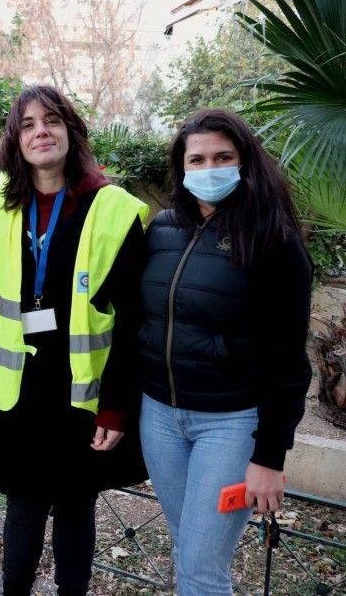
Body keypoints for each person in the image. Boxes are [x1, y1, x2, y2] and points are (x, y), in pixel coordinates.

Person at [0, 84, 147, 595]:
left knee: (76, 507)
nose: (41, 132)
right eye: (29, 124)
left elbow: (133, 323)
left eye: (52, 121)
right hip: (16, 388)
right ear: (15, 140)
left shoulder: (115, 208)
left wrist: (117, 409)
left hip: (82, 392)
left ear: (71, 131)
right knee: (24, 505)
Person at [137, 109, 312, 596]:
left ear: (244, 162)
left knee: (199, 568)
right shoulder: (162, 230)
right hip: (160, 418)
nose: (208, 168)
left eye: (222, 157)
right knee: (188, 549)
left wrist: (269, 457)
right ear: (182, 167)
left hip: (231, 426)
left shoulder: (274, 242)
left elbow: (289, 362)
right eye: (197, 159)